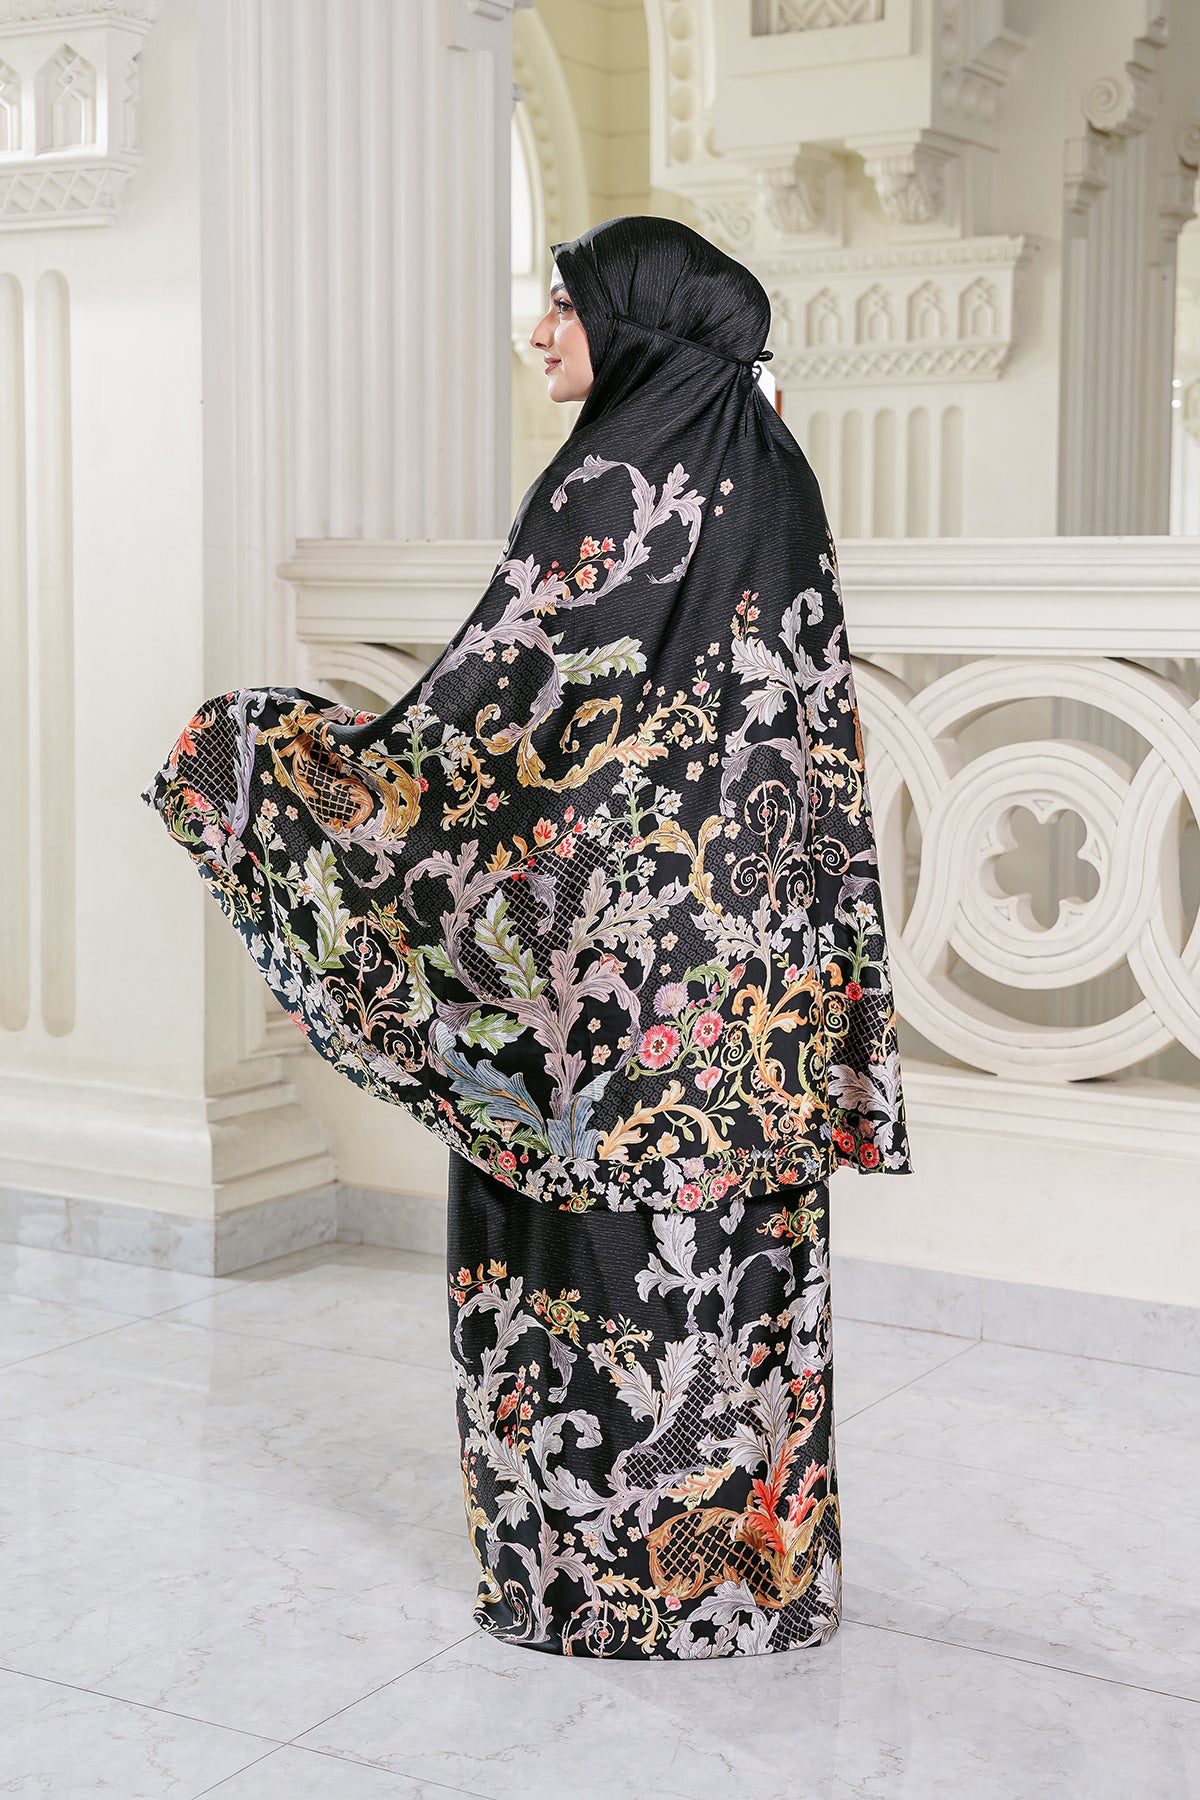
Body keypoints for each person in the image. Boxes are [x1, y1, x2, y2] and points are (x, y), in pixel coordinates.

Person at [143, 214, 912, 1660]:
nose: (542, 332)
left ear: (635, 324)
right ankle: (748, 1585)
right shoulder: (776, 474)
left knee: (584, 1256)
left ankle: (587, 1592)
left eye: (566, 305)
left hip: (602, 977)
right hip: (745, 985)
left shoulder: (611, 478)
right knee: (730, 1258)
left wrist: (298, 793)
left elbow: (499, 729)